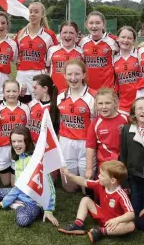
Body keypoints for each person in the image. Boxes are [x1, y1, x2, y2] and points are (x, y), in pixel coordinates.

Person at [0, 126, 59, 227]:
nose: (16, 144)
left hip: (33, 202)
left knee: (22, 220)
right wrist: (4, 203)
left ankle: (18, 206)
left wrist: (48, 210)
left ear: (27, 141)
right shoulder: (18, 158)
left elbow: (50, 187)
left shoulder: (36, 160)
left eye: (20, 141)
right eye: (13, 141)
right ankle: (14, 202)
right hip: (18, 193)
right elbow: (18, 186)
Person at [58, 161, 135, 243]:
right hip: (101, 215)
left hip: (113, 224)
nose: (98, 176)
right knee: (86, 200)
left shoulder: (121, 195)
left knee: (131, 226)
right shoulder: (100, 183)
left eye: (102, 175)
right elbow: (84, 182)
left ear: (112, 181)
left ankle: (101, 232)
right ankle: (78, 224)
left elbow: (131, 214)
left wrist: (117, 220)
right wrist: (69, 176)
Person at [56, 59, 97, 192]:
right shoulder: (60, 96)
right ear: (64, 75)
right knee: (69, 188)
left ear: (84, 75)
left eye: (77, 74)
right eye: (69, 74)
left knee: (87, 189)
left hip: (86, 143)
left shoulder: (93, 96)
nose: (73, 78)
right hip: (66, 142)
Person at [15, 2, 58, 103]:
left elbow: (54, 55)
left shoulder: (49, 35)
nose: (32, 14)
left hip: (40, 74)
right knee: (22, 104)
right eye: (30, 12)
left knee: (40, 104)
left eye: (36, 12)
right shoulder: (20, 34)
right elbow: (16, 56)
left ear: (42, 15)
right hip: (22, 75)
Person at [85, 88, 129, 180]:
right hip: (105, 163)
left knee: (122, 189)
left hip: (123, 162)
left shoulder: (125, 118)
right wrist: (89, 169)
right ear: (96, 105)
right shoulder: (95, 123)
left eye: (108, 103)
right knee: (104, 189)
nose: (104, 107)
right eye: (100, 103)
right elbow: (90, 147)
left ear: (115, 103)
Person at [0, 80, 30, 186]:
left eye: (14, 91)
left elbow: (27, 130)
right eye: (8, 91)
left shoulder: (25, 108)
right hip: (2, 148)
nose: (11, 94)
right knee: (5, 183)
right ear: (3, 92)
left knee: (14, 185)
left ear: (19, 92)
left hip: (18, 148)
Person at [79, 11, 119, 92]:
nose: (94, 26)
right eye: (91, 23)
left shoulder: (113, 41)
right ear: (86, 25)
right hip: (87, 90)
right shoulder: (82, 42)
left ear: (103, 24)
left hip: (107, 90)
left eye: (98, 23)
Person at [46, 21, 83, 92]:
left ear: (76, 35)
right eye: (65, 32)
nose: (68, 35)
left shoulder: (81, 52)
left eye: (71, 33)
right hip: (55, 91)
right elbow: (47, 69)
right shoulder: (52, 50)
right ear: (60, 34)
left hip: (75, 91)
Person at [113, 26, 140, 115]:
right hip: (122, 104)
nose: (126, 40)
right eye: (123, 37)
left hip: (140, 102)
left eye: (129, 38)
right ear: (117, 38)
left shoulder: (140, 54)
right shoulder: (113, 58)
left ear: (134, 41)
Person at [27, 74, 60, 144]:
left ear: (45, 89)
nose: (33, 91)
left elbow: (58, 134)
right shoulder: (31, 104)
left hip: (47, 149)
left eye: (35, 88)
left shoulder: (56, 107)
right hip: (31, 147)